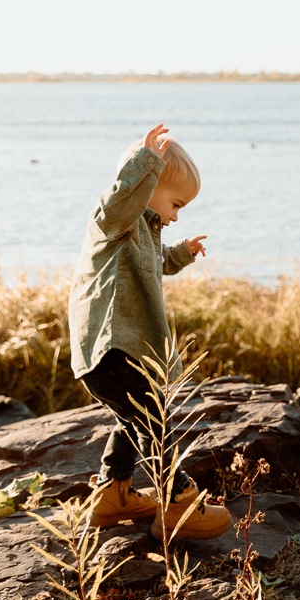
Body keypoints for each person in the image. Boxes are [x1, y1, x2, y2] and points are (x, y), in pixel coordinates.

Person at [68, 123, 231, 541]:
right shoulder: (113, 221)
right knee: (153, 423)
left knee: (134, 419)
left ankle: (113, 495)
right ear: (147, 185)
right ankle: (177, 502)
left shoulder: (140, 233)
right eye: (176, 203)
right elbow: (118, 201)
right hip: (110, 350)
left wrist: (181, 253)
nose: (176, 216)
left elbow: (153, 264)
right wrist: (146, 162)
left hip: (119, 353)